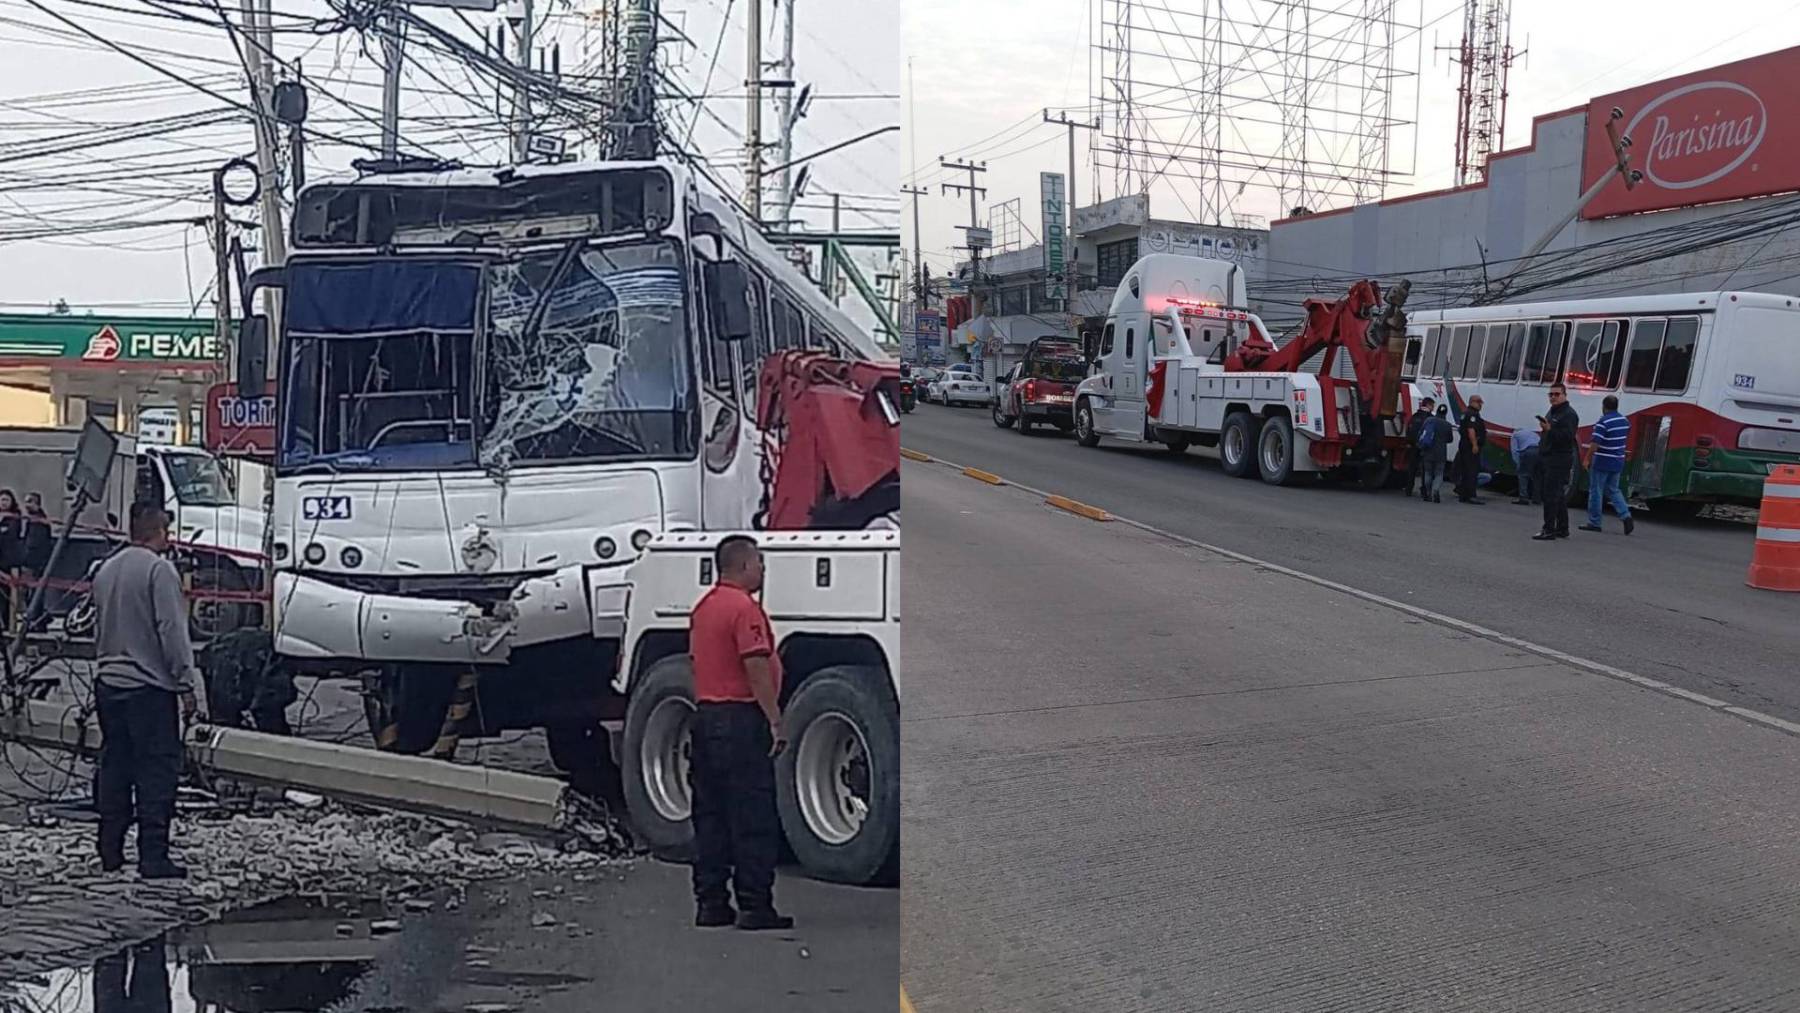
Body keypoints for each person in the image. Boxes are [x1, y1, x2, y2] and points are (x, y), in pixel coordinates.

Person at [686, 535, 793, 931]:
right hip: (739, 720)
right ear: (743, 566)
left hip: (705, 716)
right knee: (752, 815)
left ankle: (711, 902)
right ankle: (754, 904)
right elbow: (756, 667)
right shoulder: (744, 609)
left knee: (710, 814)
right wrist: (775, 719)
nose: (763, 569)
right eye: (759, 562)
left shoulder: (704, 607)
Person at [92, 502, 200, 879]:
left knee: (115, 767)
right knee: (155, 771)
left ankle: (110, 851)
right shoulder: (160, 571)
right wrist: (186, 684)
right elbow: (172, 631)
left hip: (108, 684)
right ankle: (153, 857)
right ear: (160, 532)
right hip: (148, 688)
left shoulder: (106, 570)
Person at [1583, 394, 1635, 535]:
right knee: (1613, 489)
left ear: (1604, 407)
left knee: (1596, 491)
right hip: (1618, 460)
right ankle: (1626, 515)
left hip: (1602, 461)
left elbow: (1595, 444)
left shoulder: (1603, 422)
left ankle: (1595, 522)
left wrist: (1587, 458)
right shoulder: (1624, 421)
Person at [1535, 383, 1579, 541]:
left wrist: (1549, 430)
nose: (1553, 397)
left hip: (1559, 458)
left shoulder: (1568, 414)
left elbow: (1567, 437)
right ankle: (1562, 528)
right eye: (1551, 394)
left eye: (1556, 394)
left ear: (1564, 395)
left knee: (1551, 495)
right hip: (1548, 456)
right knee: (1558, 494)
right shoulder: (1553, 411)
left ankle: (1548, 529)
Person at [1455, 395, 1488, 504]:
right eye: (1479, 403)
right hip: (1470, 446)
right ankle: (1471, 495)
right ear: (1472, 402)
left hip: (1464, 445)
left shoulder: (1465, 413)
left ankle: (1463, 495)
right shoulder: (1472, 415)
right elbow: (1471, 430)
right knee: (1472, 471)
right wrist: (1475, 445)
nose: (1480, 405)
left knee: (1465, 470)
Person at [1417, 404, 1453, 503]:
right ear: (1445, 413)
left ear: (1437, 411)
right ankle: (1435, 490)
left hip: (1428, 451)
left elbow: (1421, 433)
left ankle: (1428, 493)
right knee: (1439, 473)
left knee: (1428, 472)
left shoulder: (1429, 420)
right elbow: (1450, 440)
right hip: (1441, 453)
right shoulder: (1448, 425)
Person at [1402, 397, 1435, 496]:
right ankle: (1424, 490)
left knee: (1412, 468)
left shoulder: (1415, 416)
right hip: (1425, 447)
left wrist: (1408, 442)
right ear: (1428, 405)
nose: (1433, 407)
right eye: (1432, 405)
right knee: (1425, 469)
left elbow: (1409, 429)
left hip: (1413, 445)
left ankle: (1409, 489)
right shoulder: (1430, 418)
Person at [0, 490, 21, 630]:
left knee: (6, 597)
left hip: (7, 562)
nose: (3, 503)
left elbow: (11, 537)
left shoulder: (14, 519)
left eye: (6, 500)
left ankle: (7, 625)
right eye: (1, 500)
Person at [1510, 417, 1542, 506]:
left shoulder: (1515, 435)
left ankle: (1523, 498)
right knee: (1537, 477)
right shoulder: (1533, 433)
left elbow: (1515, 451)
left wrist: (1518, 464)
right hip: (1540, 452)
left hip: (1529, 452)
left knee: (1523, 475)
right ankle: (1537, 499)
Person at [21, 491, 52, 576]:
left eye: (29, 501)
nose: (26, 505)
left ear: (37, 504)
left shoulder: (40, 521)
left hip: (32, 562)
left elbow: (36, 543)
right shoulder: (30, 520)